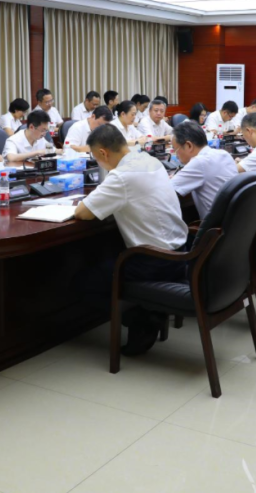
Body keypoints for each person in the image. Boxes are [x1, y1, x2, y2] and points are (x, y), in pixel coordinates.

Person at [74, 124, 189, 355]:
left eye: (96, 158)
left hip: (154, 262)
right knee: (108, 257)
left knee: (83, 283)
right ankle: (149, 310)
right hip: (181, 252)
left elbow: (82, 213)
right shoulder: (149, 160)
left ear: (103, 153)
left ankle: (143, 320)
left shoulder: (122, 176)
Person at [170, 120, 238, 218]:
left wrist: (172, 178)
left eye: (175, 150)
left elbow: (167, 190)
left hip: (216, 226)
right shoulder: (224, 153)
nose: (176, 155)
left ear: (189, 146)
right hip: (235, 219)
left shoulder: (199, 162)